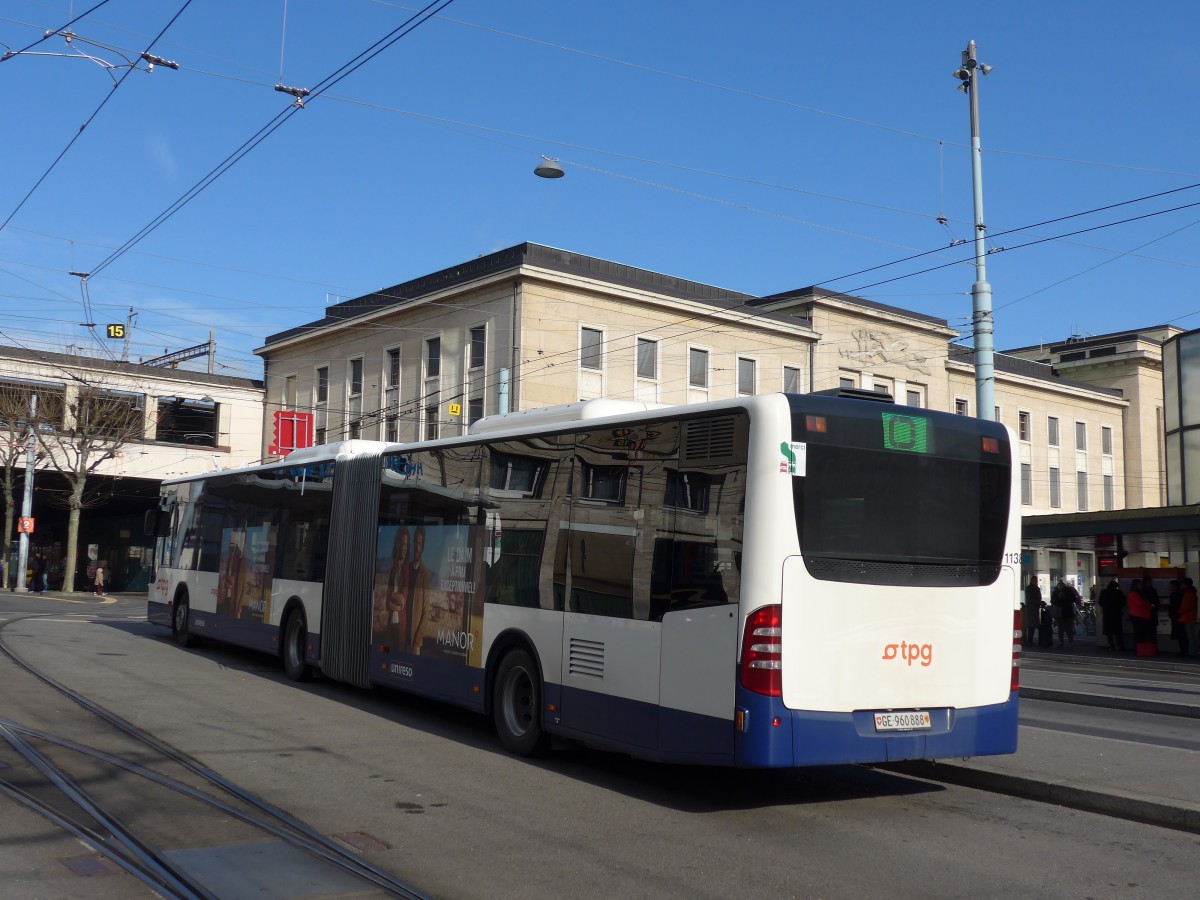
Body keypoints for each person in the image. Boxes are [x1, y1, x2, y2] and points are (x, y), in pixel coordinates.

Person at [1127, 578, 1155, 650]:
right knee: (1140, 633)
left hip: (1138, 614)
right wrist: (1150, 606)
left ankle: (1140, 649)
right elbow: (1140, 603)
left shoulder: (1133, 593)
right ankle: (1139, 649)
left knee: (1139, 633)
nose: (1141, 585)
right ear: (1136, 585)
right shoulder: (1135, 593)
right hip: (1139, 615)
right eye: (1140, 584)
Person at [1098, 579, 1126, 651]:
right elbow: (1123, 603)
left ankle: (1112, 645)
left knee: (1109, 632)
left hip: (1107, 614)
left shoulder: (1104, 592)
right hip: (1117, 614)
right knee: (1118, 632)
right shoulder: (1119, 593)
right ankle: (1120, 646)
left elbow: (1100, 602)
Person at [1053, 579, 1079, 647]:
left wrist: (1065, 597)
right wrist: (1059, 597)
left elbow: (1073, 599)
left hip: (1067, 612)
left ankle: (1070, 641)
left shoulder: (1069, 591)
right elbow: (1053, 601)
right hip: (1061, 612)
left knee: (1068, 628)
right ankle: (1061, 641)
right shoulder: (1056, 592)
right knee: (1061, 628)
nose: (1061, 587)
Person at [1178, 577, 1197, 658]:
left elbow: (1186, 606)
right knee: (1191, 636)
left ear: (1185, 584)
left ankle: (1191, 653)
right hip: (1191, 616)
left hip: (1187, 617)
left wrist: (1179, 612)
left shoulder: (1188, 593)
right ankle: (1192, 652)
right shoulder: (1192, 592)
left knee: (1190, 636)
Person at [1023, 575, 1043, 648]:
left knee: (1033, 626)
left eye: (1036, 581)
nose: (1035, 582)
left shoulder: (1037, 588)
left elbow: (1039, 597)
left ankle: (1030, 641)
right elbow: (1030, 599)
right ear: (1031, 581)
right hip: (1031, 608)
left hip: (1035, 608)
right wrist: (1038, 602)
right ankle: (1029, 641)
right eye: (1034, 581)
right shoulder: (1029, 588)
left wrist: (1039, 602)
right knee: (1031, 626)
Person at [1168, 579, 1185, 656]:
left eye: (1170, 586)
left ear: (1175, 587)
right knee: (1181, 634)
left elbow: (1173, 606)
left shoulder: (1175, 595)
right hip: (1179, 616)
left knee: (1180, 634)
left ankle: (1183, 651)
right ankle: (1183, 651)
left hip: (1177, 616)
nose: (1169, 587)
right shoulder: (1181, 594)